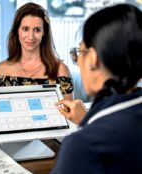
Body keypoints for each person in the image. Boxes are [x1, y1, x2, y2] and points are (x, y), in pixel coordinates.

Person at [50, 3, 142, 174]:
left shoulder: (83, 145)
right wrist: (87, 120)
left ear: (92, 58)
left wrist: (87, 129)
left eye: (78, 52)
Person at [0, 2, 73, 100]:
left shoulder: (60, 71)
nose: (31, 36)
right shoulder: (2, 70)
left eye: (37, 30)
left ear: (44, 32)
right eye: (25, 29)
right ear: (17, 31)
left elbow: (69, 114)